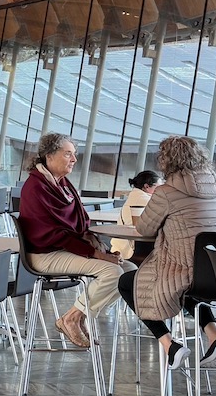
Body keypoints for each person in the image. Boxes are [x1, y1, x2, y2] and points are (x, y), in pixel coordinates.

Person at [116, 136, 216, 370]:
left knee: (129, 282)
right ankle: (214, 337)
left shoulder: (166, 192)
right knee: (187, 285)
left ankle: (169, 345)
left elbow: (144, 228)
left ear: (166, 161)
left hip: (183, 270)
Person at [18, 132, 135, 349]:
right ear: (49, 156)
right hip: (44, 255)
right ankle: (72, 318)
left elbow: (80, 223)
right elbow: (54, 234)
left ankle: (79, 316)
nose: (74, 159)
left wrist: (101, 248)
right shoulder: (36, 188)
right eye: (68, 154)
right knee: (112, 272)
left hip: (65, 250)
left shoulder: (62, 183)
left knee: (129, 271)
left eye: (74, 154)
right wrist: (98, 255)